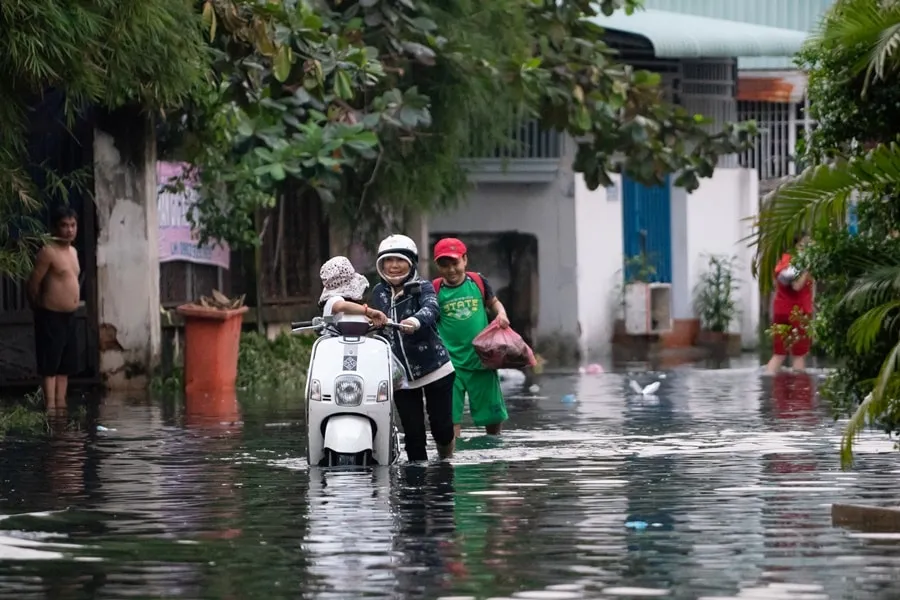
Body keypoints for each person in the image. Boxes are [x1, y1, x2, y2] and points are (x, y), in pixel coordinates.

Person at [368, 234, 455, 462]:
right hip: (401, 376)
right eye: (388, 260)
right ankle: (416, 486)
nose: (394, 266)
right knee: (414, 435)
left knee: (442, 428)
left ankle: (445, 464)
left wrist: (415, 321)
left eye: (400, 260)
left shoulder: (422, 287)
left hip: (435, 368)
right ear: (381, 264)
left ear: (411, 262)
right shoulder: (378, 293)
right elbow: (373, 322)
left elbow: (432, 308)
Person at [432, 237, 510, 439]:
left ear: (465, 260)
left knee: (492, 417)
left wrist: (501, 314)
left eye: (455, 263)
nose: (451, 270)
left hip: (481, 361)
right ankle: (453, 461)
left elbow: (494, 303)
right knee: (451, 419)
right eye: (444, 265)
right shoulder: (434, 289)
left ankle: (493, 455)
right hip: (449, 365)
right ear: (437, 265)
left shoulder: (478, 281)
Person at [26, 206, 81, 408]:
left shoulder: (73, 252)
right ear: (55, 227)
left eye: (73, 225)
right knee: (50, 364)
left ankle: (61, 404)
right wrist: (38, 307)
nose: (69, 230)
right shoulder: (48, 252)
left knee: (65, 365)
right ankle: (50, 406)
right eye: (64, 225)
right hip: (51, 315)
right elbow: (33, 283)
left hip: (70, 315)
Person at [766, 233, 813, 374]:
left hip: (781, 311)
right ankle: (800, 393)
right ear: (797, 245)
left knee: (778, 354)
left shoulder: (783, 261)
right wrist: (807, 269)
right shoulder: (801, 262)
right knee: (798, 356)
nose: (809, 247)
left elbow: (777, 284)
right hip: (798, 313)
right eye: (806, 244)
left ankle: (769, 381)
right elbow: (796, 286)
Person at [318, 256, 388, 326]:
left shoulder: (344, 312)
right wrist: (369, 311)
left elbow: (340, 318)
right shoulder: (333, 300)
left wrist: (371, 319)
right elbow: (341, 306)